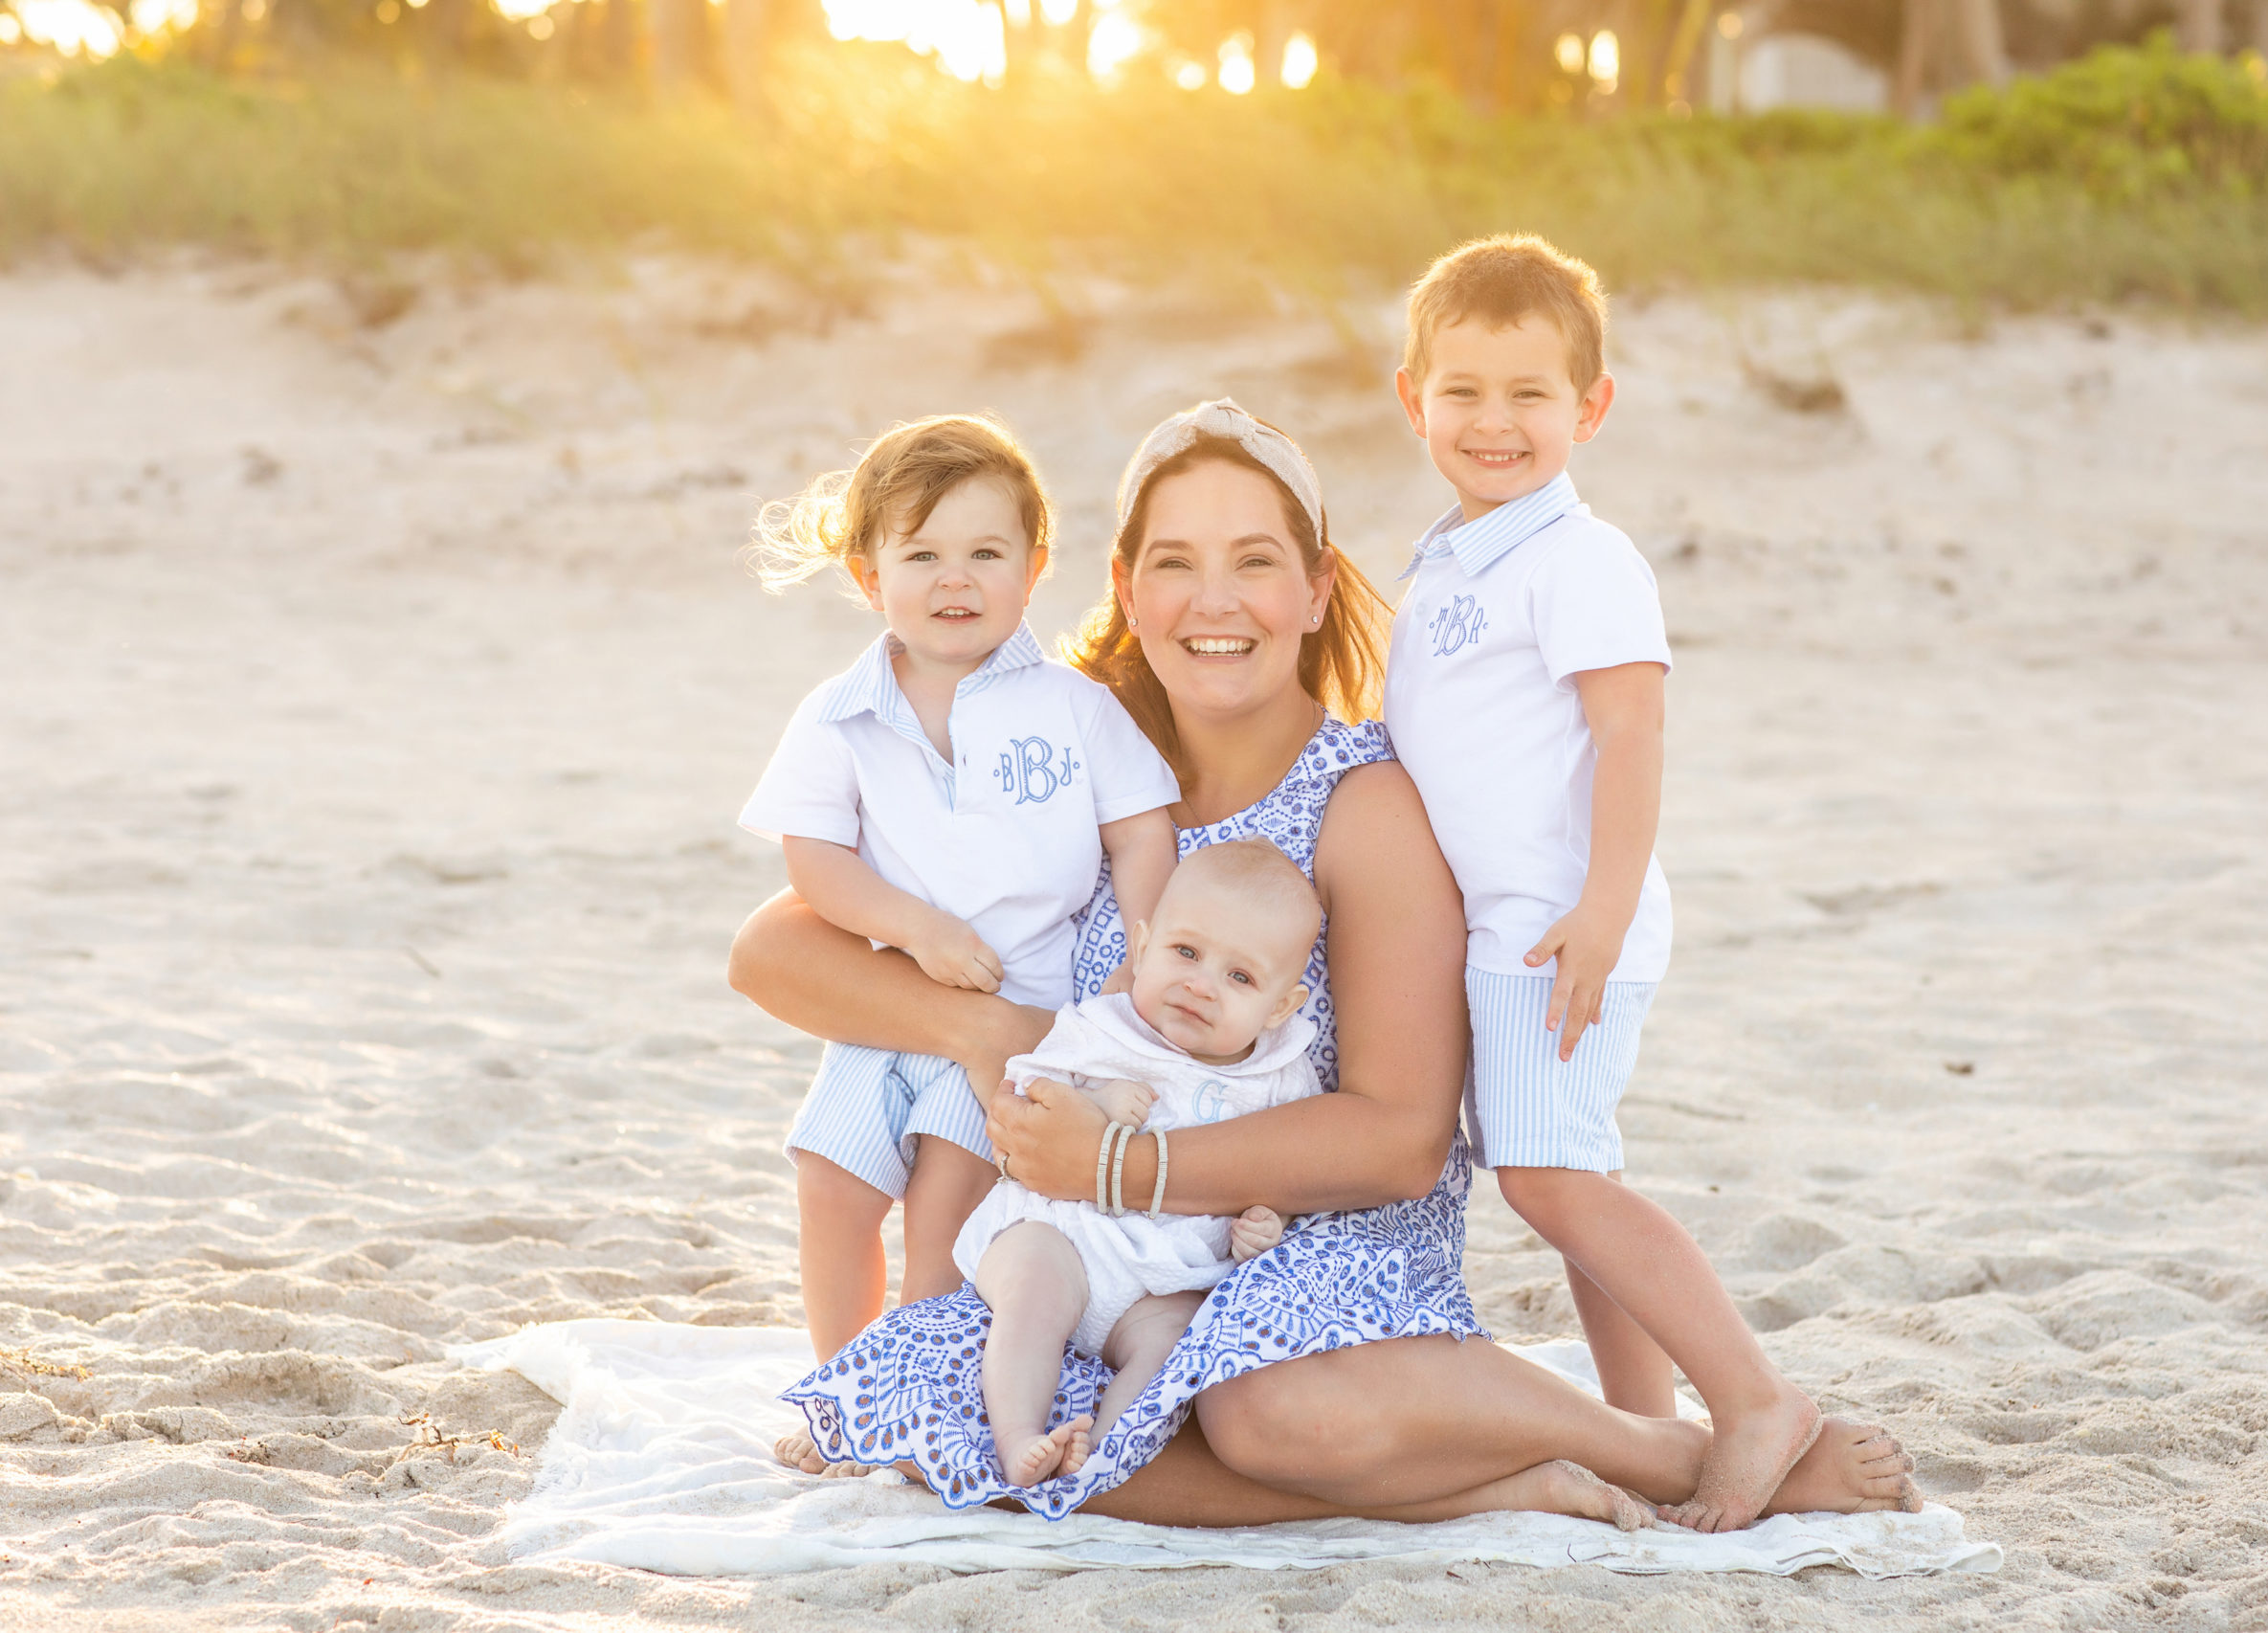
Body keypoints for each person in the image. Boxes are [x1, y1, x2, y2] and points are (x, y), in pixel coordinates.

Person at [734, 399, 1921, 1529]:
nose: (1215, 600)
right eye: (1176, 563)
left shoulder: (1362, 802)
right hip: (1093, 1246)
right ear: (1125, 588)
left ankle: (1655, 1451)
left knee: (1266, 1407)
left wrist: (1127, 1162)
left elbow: (1402, 1140)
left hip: (1305, 1235)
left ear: (1313, 589)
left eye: (1254, 561)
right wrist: (986, 1033)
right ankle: (1485, 1481)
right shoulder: (1076, 763)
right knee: (949, 1425)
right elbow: (772, 948)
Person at [1384, 234, 1823, 1533]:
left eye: (1529, 394)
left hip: (1569, 921)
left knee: (1551, 1179)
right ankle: (1646, 1428)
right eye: (1462, 391)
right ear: (1413, 399)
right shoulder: (1449, 561)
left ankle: (1752, 1397)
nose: (1494, 421)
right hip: (1505, 929)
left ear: (1591, 407)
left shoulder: (1582, 558)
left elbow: (1632, 732)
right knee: (1572, 1174)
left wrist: (1603, 908)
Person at [738, 414, 1179, 1363]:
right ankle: (841, 1381)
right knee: (830, 1181)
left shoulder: (1071, 706)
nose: (955, 578)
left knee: (947, 1197)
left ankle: (916, 1375)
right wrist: (915, 926)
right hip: (891, 1001)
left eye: (986, 551)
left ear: (1034, 565)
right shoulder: (839, 712)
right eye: (922, 553)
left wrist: (1138, 954)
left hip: (1020, 996)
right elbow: (815, 862)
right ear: (869, 577)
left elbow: (1141, 826)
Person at [959, 839, 1325, 1489]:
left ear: (1278, 1008)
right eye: (1186, 953)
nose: (1200, 984)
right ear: (1142, 946)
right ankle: (1018, 1436)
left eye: (1239, 977)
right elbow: (1022, 1105)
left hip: (1164, 1276)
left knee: (1175, 1342)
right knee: (1031, 1296)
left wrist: (1270, 1219)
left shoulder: (1280, 1077)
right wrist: (1092, 1102)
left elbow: (1292, 1162)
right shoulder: (1104, 1027)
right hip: (1065, 1236)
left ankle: (1099, 1450)